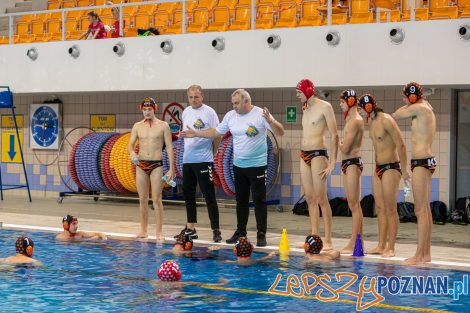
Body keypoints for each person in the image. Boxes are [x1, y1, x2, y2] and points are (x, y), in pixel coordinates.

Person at [181, 89, 285, 247]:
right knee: (241, 201)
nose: (234, 106)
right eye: (233, 103)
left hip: (258, 165)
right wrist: (196, 133)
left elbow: (281, 131)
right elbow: (216, 132)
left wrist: (271, 121)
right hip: (239, 165)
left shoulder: (260, 114)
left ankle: (261, 233)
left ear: (246, 102)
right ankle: (240, 232)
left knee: (259, 200)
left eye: (237, 103)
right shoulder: (230, 116)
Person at [358, 94, 410, 258]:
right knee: (379, 208)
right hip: (378, 168)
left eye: (360, 108)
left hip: (391, 168)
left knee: (390, 208)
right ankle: (381, 245)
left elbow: (400, 144)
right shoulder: (370, 121)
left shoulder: (386, 120)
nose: (359, 112)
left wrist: (404, 169)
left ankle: (391, 247)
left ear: (368, 106)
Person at [392, 82, 436, 265]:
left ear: (412, 97)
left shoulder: (418, 108)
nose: (404, 100)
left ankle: (419, 255)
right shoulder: (424, 107)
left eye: (405, 97)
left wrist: (410, 104)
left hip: (421, 162)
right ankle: (426, 254)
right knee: (425, 209)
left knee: (420, 210)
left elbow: (395, 114)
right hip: (425, 161)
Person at [175, 85, 222, 242]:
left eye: (196, 97)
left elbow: (218, 134)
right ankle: (191, 228)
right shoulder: (186, 112)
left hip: (204, 160)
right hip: (188, 160)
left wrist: (213, 154)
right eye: (190, 97)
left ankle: (216, 229)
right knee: (188, 195)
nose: (193, 100)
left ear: (202, 97)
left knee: (209, 195)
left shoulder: (209, 112)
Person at [296, 79, 339, 251]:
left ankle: (328, 239)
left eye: (299, 92)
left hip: (318, 154)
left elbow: (335, 135)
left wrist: (333, 162)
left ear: (307, 91)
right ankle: (314, 237)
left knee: (321, 198)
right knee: (310, 198)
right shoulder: (305, 108)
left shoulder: (325, 107)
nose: (297, 95)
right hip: (303, 154)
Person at [128, 97, 175, 242]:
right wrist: (132, 153)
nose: (147, 112)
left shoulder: (163, 126)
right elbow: (130, 144)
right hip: (141, 164)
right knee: (142, 199)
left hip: (156, 165)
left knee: (156, 199)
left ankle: (159, 232)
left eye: (149, 109)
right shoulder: (137, 126)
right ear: (141, 110)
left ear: (154, 109)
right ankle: (143, 230)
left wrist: (172, 169)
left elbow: (169, 147)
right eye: (145, 110)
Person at [338, 89, 365, 254]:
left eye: (341, 102)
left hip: (353, 162)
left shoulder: (355, 120)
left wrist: (338, 141)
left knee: (354, 205)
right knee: (352, 204)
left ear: (349, 102)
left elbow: (346, 147)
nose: (340, 105)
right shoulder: (351, 119)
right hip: (348, 162)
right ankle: (357, 241)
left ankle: (354, 241)